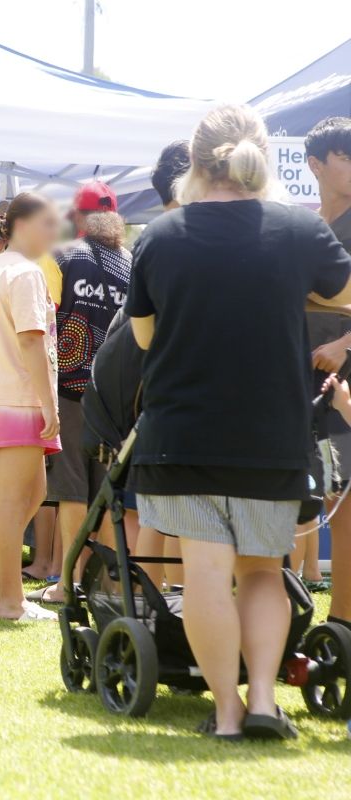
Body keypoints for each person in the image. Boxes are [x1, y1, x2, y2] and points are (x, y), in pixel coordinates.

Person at [127, 105, 351, 739]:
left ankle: (224, 715)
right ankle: (261, 705)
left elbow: (145, 337)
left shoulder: (160, 237)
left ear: (194, 164)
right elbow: (342, 293)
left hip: (183, 435)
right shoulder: (298, 231)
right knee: (261, 571)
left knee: (204, 572)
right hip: (271, 435)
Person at [0, 192, 62, 622]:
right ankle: (11, 601)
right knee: (16, 498)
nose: (55, 235)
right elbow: (30, 339)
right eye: (49, 225)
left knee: (31, 493)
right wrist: (49, 402)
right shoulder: (23, 272)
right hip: (18, 396)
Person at [31, 182, 131, 605]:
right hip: (118, 397)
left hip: (69, 391)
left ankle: (68, 583)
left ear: (78, 217)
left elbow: (42, 316)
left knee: (71, 488)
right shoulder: (133, 264)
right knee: (110, 491)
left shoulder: (60, 257)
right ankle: (106, 586)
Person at [304, 117, 351, 628]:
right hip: (298, 375)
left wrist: (344, 342)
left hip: (343, 380)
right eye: (346, 155)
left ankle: (341, 622)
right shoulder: (309, 228)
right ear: (316, 165)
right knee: (298, 497)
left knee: (344, 502)